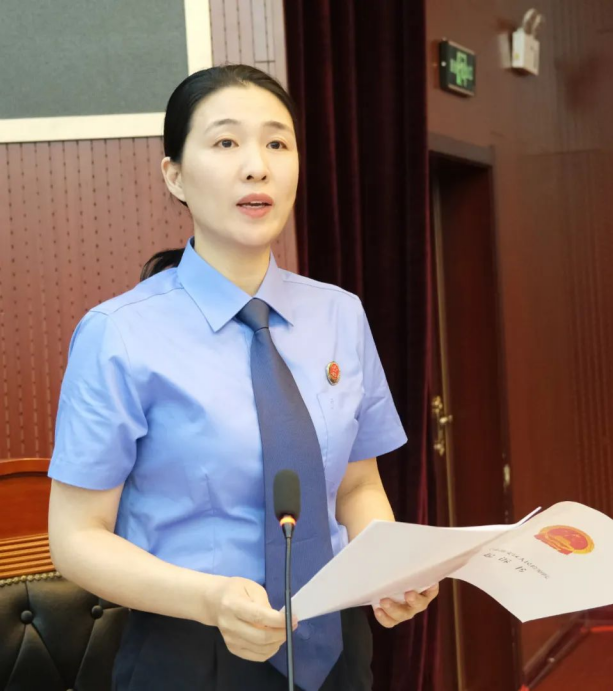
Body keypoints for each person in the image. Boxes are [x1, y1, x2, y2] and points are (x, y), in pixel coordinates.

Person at [47, 63, 439, 692]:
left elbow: (356, 485)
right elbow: (75, 539)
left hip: (336, 645)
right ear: (174, 175)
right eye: (226, 142)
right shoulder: (119, 333)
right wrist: (211, 600)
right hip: (190, 650)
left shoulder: (339, 314)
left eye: (277, 143)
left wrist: (387, 568)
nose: (257, 167)